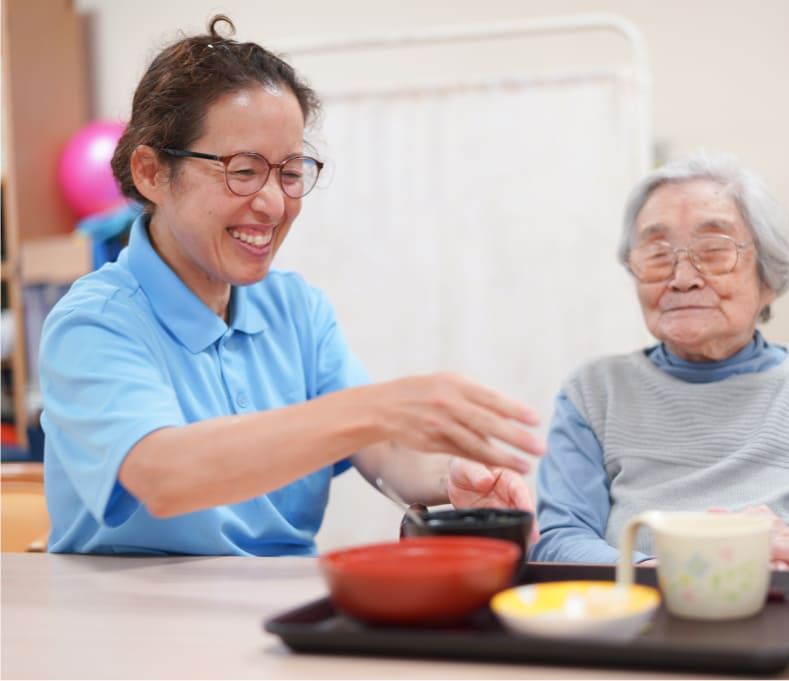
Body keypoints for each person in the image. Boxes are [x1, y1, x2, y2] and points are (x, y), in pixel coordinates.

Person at [38, 15, 544, 556]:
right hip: (131, 625)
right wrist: (380, 405)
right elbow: (161, 474)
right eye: (243, 170)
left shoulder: (295, 308)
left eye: (290, 170)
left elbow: (381, 449)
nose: (274, 204)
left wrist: (455, 476)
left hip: (278, 610)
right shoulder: (94, 321)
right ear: (151, 172)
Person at [531, 150, 789, 570]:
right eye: (658, 253)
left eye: (713, 249)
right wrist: (665, 578)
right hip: (645, 616)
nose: (682, 279)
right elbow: (561, 536)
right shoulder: (594, 391)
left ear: (768, 276)